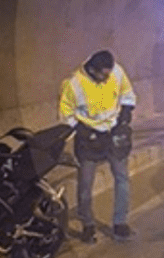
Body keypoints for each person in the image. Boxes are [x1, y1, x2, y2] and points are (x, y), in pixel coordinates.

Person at [59, 50, 137, 242]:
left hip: (113, 133)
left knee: (122, 177)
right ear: (92, 70)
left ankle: (120, 223)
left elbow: (127, 94)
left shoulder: (116, 72)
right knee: (85, 184)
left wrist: (125, 116)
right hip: (89, 138)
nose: (108, 77)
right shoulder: (73, 84)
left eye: (109, 72)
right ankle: (88, 225)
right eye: (103, 74)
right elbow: (66, 114)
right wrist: (83, 131)